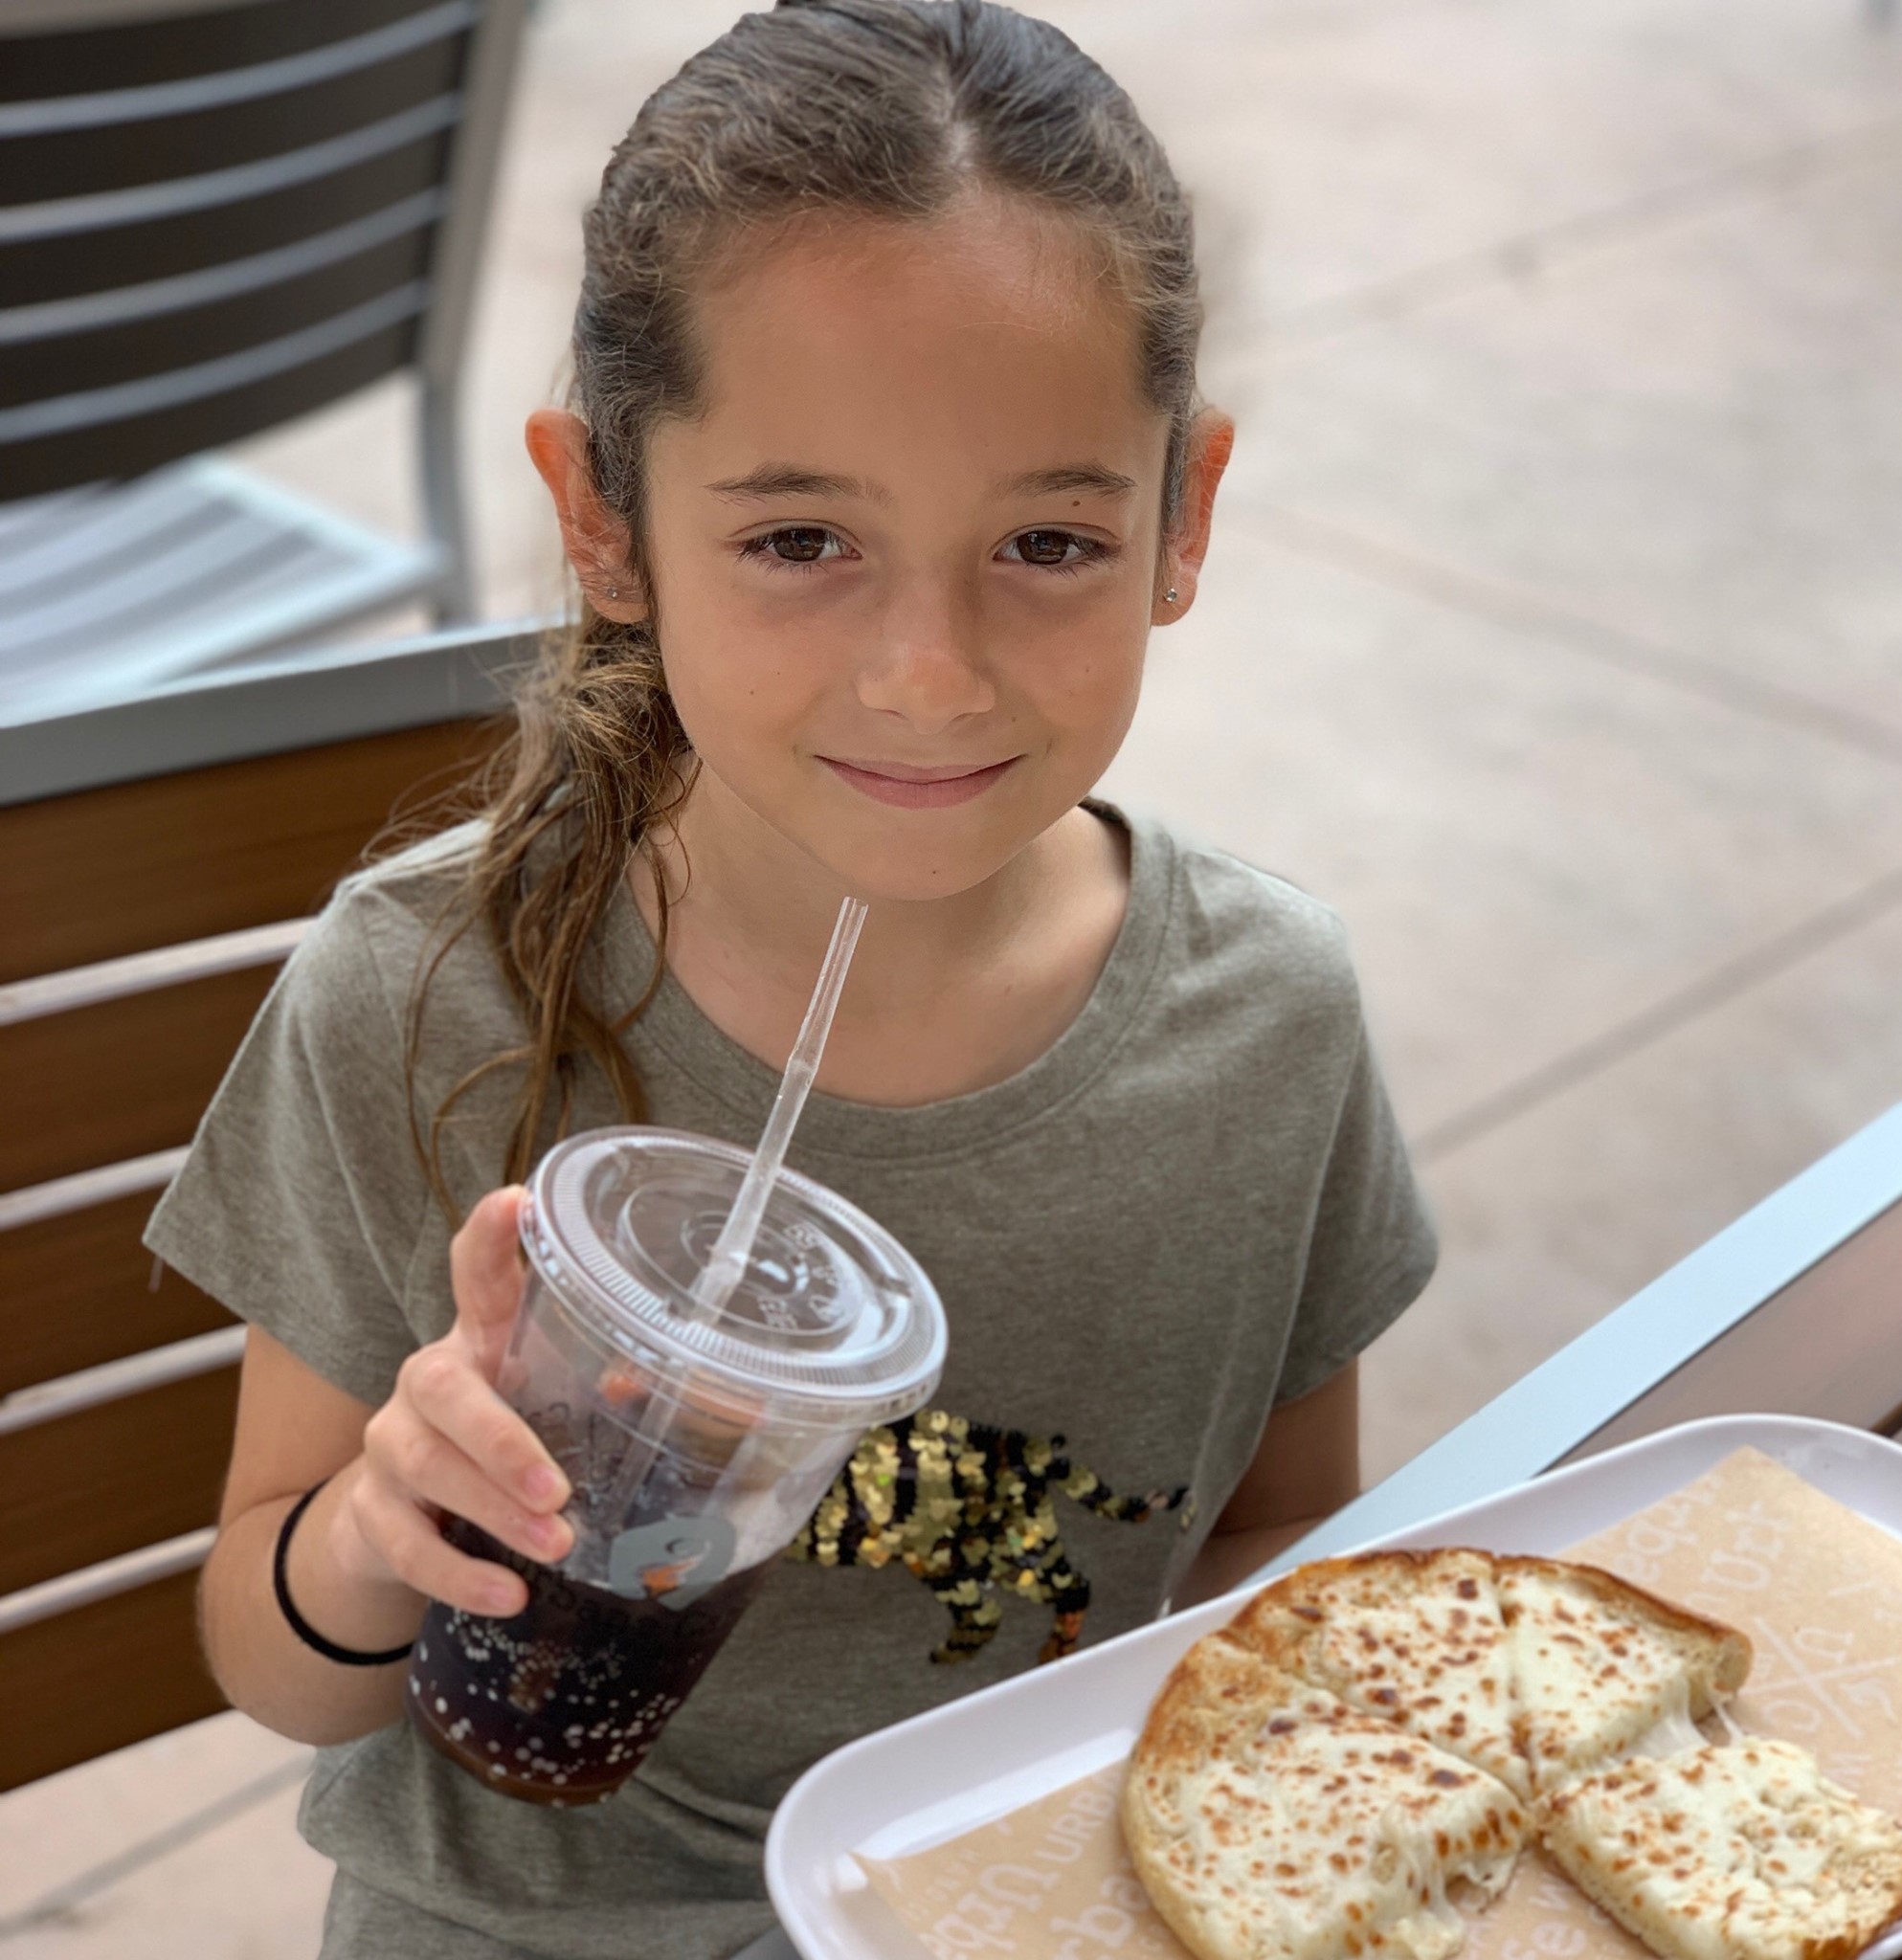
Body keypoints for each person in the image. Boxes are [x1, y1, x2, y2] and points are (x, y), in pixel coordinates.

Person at [146, 2, 1439, 1953]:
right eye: (801, 536)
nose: (929, 672)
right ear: (603, 522)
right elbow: (280, 1669)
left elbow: (1275, 1538)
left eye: (1047, 539)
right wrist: (380, 1529)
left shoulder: (1267, 1021)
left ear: (1182, 516)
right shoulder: (424, 992)